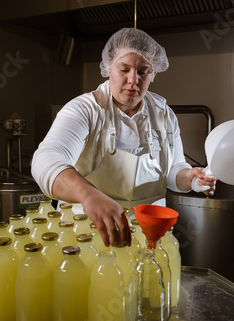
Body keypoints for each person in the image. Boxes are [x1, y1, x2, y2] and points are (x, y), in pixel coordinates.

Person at [32, 27, 216, 247]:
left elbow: (173, 169)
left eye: (143, 71)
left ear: (153, 73)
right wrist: (88, 195)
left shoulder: (163, 113)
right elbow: (46, 158)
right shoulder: (84, 110)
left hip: (148, 235)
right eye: (124, 69)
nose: (133, 80)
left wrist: (192, 178)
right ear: (109, 68)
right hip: (86, 235)